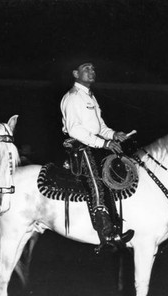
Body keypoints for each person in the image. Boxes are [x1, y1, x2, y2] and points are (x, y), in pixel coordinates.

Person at [60, 62, 134, 251]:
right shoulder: (73, 97)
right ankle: (106, 233)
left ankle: (117, 223)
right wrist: (104, 143)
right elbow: (74, 128)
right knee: (96, 184)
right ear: (75, 73)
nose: (91, 72)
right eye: (86, 69)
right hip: (81, 148)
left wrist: (113, 135)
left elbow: (100, 127)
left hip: (94, 146)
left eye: (93, 69)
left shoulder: (90, 97)